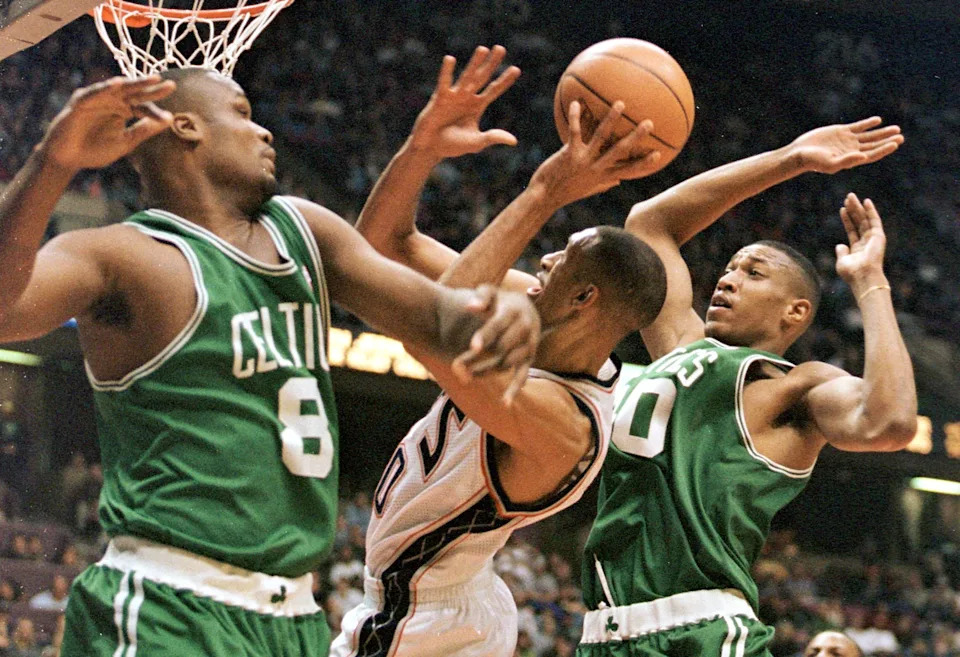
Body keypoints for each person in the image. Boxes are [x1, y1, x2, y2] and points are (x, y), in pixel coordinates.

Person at [0, 69, 541, 656]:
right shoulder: (121, 255)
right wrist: (51, 163)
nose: (264, 132)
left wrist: (497, 315)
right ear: (187, 128)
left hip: (294, 618)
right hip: (166, 602)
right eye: (241, 112)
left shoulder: (303, 229)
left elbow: (437, 317)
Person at [330, 46, 667, 657]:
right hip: (436, 600)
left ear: (584, 298)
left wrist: (544, 194)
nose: (541, 261)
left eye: (561, 258)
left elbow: (432, 328)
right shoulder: (541, 315)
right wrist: (423, 146)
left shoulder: (565, 425)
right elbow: (381, 249)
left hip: (430, 621)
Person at [574, 136, 915, 653]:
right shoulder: (678, 345)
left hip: (703, 631)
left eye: (753, 273)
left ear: (794, 313)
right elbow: (649, 223)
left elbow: (889, 422)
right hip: (606, 633)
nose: (728, 279)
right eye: (730, 268)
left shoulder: (794, 386)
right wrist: (790, 159)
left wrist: (870, 282)